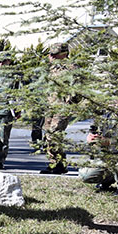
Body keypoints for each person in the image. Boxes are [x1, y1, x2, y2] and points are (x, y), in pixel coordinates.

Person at [39, 42, 78, 174]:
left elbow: (77, 89)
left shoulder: (71, 68)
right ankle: (57, 164)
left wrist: (69, 103)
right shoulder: (52, 68)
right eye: (51, 54)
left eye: (54, 54)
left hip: (61, 108)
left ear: (64, 54)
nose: (51, 56)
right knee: (49, 134)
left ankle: (57, 164)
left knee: (54, 134)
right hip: (50, 107)